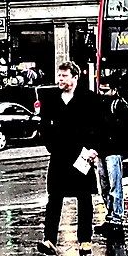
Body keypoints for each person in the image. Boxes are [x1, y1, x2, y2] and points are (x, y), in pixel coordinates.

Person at [39, 60, 102, 242]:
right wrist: (51, 146)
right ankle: (49, 239)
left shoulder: (89, 99)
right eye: (59, 75)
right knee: (54, 199)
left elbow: (98, 127)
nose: (60, 79)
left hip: (82, 156)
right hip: (59, 156)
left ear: (75, 77)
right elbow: (44, 127)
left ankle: (85, 241)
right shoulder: (51, 100)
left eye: (64, 75)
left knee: (84, 199)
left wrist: (93, 149)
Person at [96, 74, 128, 230]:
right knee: (104, 186)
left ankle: (116, 217)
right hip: (102, 149)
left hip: (114, 149)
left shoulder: (120, 105)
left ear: (114, 90)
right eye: (101, 90)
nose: (102, 93)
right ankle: (111, 215)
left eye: (105, 90)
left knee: (114, 185)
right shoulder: (101, 104)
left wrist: (126, 144)